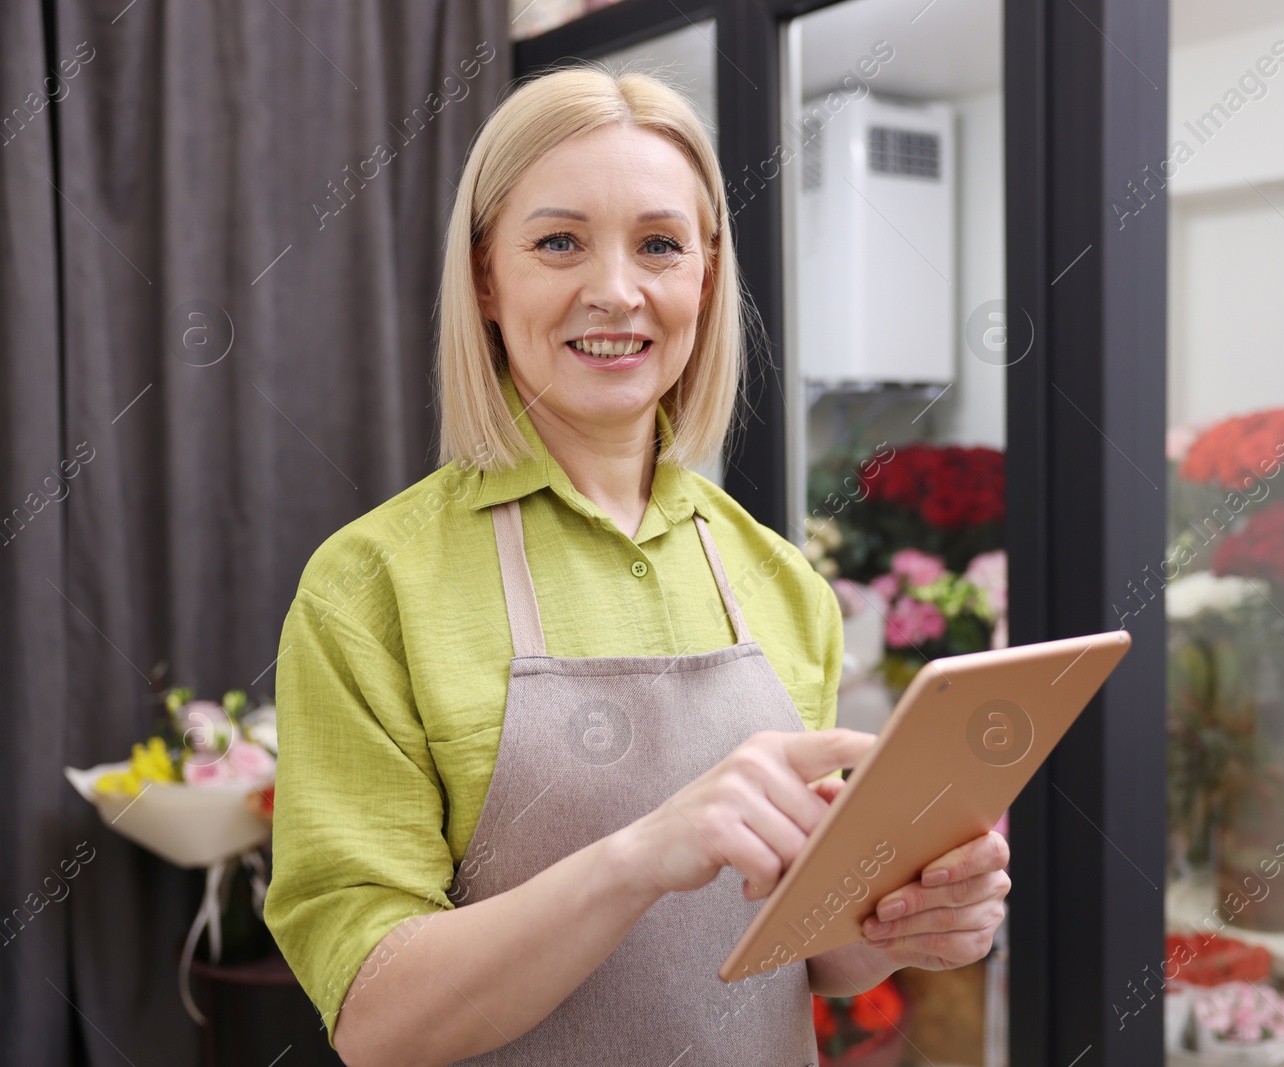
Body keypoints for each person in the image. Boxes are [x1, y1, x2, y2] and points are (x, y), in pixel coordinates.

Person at [263, 65, 1010, 1067]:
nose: (614, 290)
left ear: (704, 272)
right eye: (558, 241)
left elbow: (802, 948)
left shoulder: (780, 580)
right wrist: (640, 856)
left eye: (659, 244)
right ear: (486, 275)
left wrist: (903, 917)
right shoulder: (370, 587)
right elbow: (376, 1018)